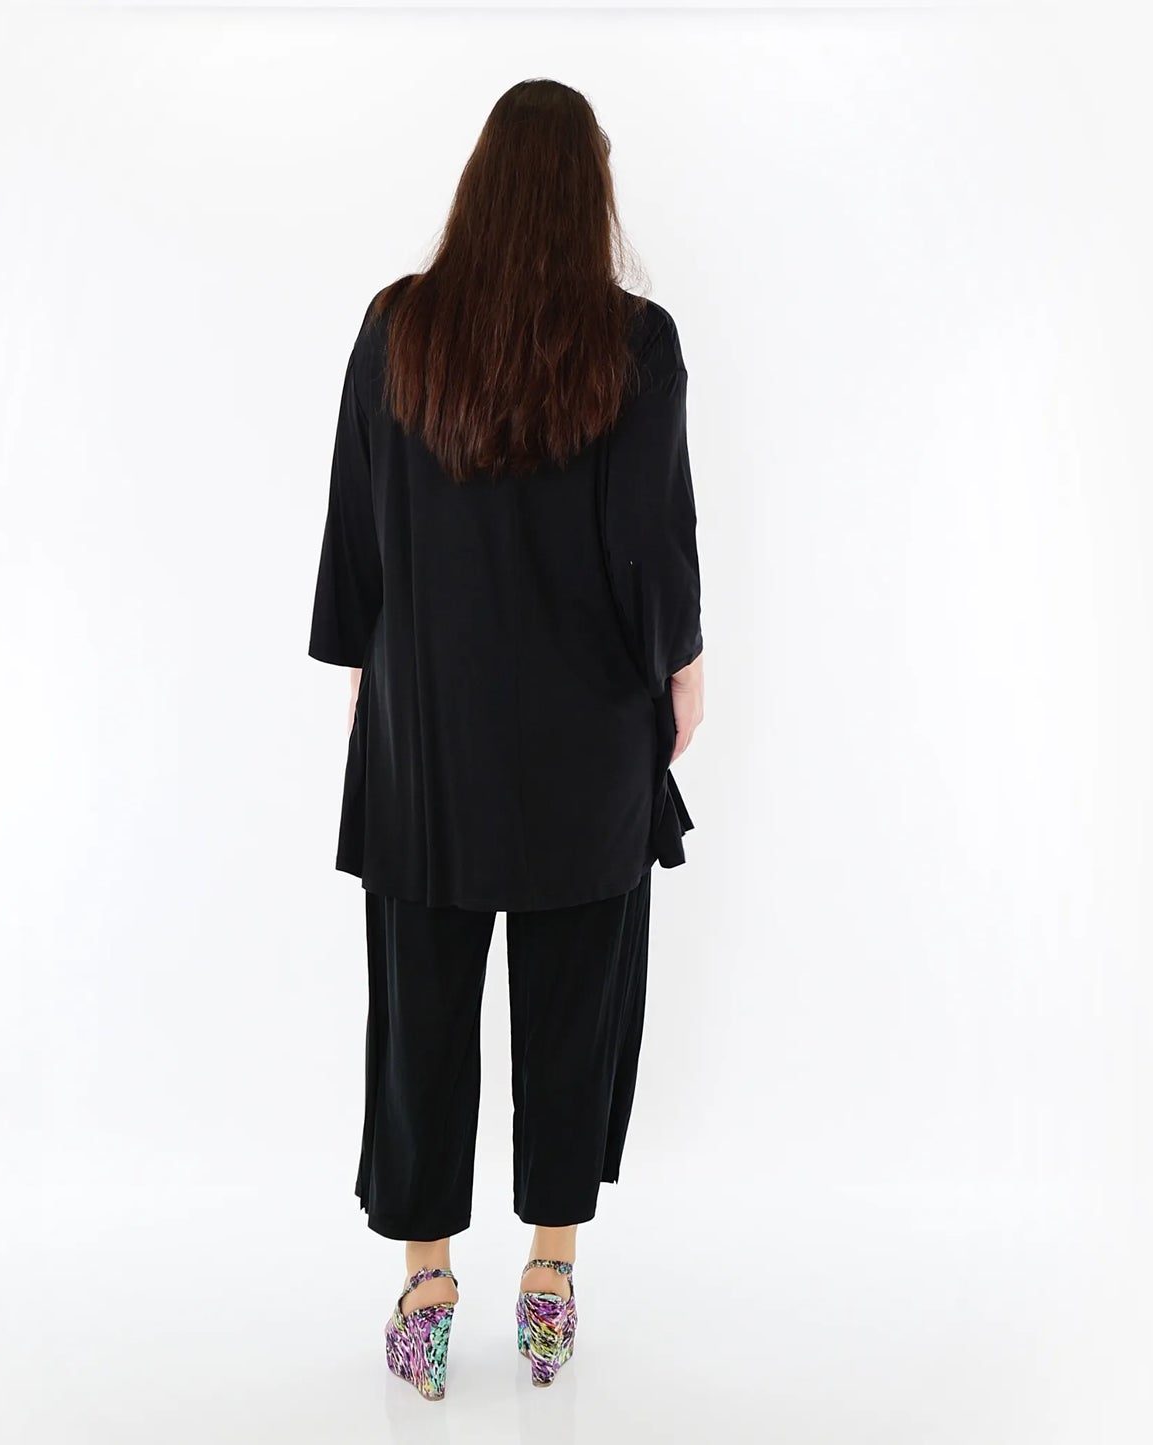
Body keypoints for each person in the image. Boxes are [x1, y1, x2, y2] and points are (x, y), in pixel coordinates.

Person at [307, 77, 704, 1400]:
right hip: (582, 741)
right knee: (571, 1016)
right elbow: (651, 541)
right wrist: (680, 668)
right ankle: (549, 1277)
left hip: (428, 735)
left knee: (418, 1017)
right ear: (589, 191)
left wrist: (366, 676)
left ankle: (425, 1288)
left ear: (478, 183)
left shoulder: (398, 329)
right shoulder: (633, 343)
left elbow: (358, 525)